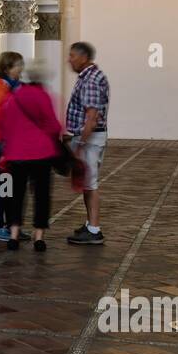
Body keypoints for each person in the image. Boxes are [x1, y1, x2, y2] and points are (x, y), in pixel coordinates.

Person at [0, 60, 64, 253]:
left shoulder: (13, 96)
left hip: (16, 153)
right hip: (41, 153)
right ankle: (39, 236)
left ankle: (14, 234)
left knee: (16, 194)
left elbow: (1, 123)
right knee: (42, 195)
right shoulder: (44, 96)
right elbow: (54, 125)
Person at [64, 41, 110, 246]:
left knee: (90, 184)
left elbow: (91, 115)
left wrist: (81, 142)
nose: (69, 59)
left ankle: (94, 229)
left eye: (72, 56)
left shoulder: (90, 80)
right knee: (86, 183)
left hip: (90, 140)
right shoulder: (91, 76)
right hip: (89, 138)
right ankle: (90, 224)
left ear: (84, 57)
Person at [0, 51, 24, 242]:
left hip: (13, 142)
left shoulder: (13, 87)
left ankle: (12, 225)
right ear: (7, 68)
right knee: (5, 184)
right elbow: (2, 116)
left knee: (14, 185)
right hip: (2, 142)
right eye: (18, 66)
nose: (21, 69)